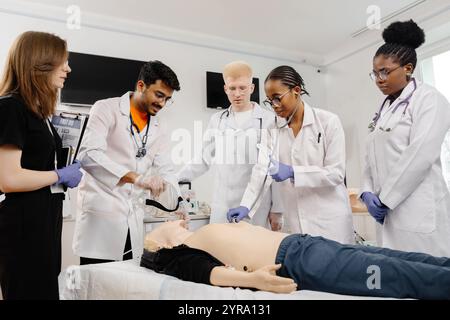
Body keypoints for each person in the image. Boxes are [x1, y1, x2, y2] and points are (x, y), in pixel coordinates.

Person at [140, 219, 450, 300]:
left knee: (394, 257)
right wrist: (254, 281)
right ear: (158, 243)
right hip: (298, 261)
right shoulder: (179, 252)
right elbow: (209, 274)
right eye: (168, 224)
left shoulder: (195, 236)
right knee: (394, 274)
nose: (177, 221)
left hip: (303, 243)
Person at [228, 66, 354, 244]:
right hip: (296, 219)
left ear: (296, 90)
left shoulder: (328, 122)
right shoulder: (273, 129)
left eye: (277, 98)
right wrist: (246, 205)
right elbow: (261, 170)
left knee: (337, 269)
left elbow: (336, 173)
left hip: (331, 220)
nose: (274, 106)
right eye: (270, 101)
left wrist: (294, 172)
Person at [0, 31, 83, 299]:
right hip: (24, 225)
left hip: (46, 219)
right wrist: (58, 174)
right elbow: (8, 179)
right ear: (40, 62)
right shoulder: (10, 108)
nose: (68, 69)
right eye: (63, 62)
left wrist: (64, 171)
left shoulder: (40, 112)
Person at [73, 60, 181, 265]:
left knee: (126, 287)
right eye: (159, 95)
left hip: (132, 218)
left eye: (167, 99)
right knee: (96, 287)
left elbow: (166, 168)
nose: (162, 104)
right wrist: (137, 179)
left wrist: (178, 200)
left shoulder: (159, 125)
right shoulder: (106, 109)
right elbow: (89, 154)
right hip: (101, 217)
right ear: (141, 86)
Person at [360, 20, 450, 257]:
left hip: (417, 209)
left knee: (427, 276)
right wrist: (368, 192)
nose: (379, 79)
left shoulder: (430, 99)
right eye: (375, 73)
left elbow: (420, 155)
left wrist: (386, 199)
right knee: (396, 276)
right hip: (387, 211)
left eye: (385, 71)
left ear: (408, 68)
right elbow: (371, 153)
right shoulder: (384, 107)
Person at [177, 61, 282, 228]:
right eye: (232, 88)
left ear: (252, 88)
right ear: (226, 89)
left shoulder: (269, 119)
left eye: (242, 88)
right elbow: (204, 158)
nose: (237, 94)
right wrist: (177, 178)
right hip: (222, 205)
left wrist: (277, 209)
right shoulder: (217, 119)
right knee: (219, 252)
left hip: (256, 208)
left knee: (252, 252)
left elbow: (274, 167)